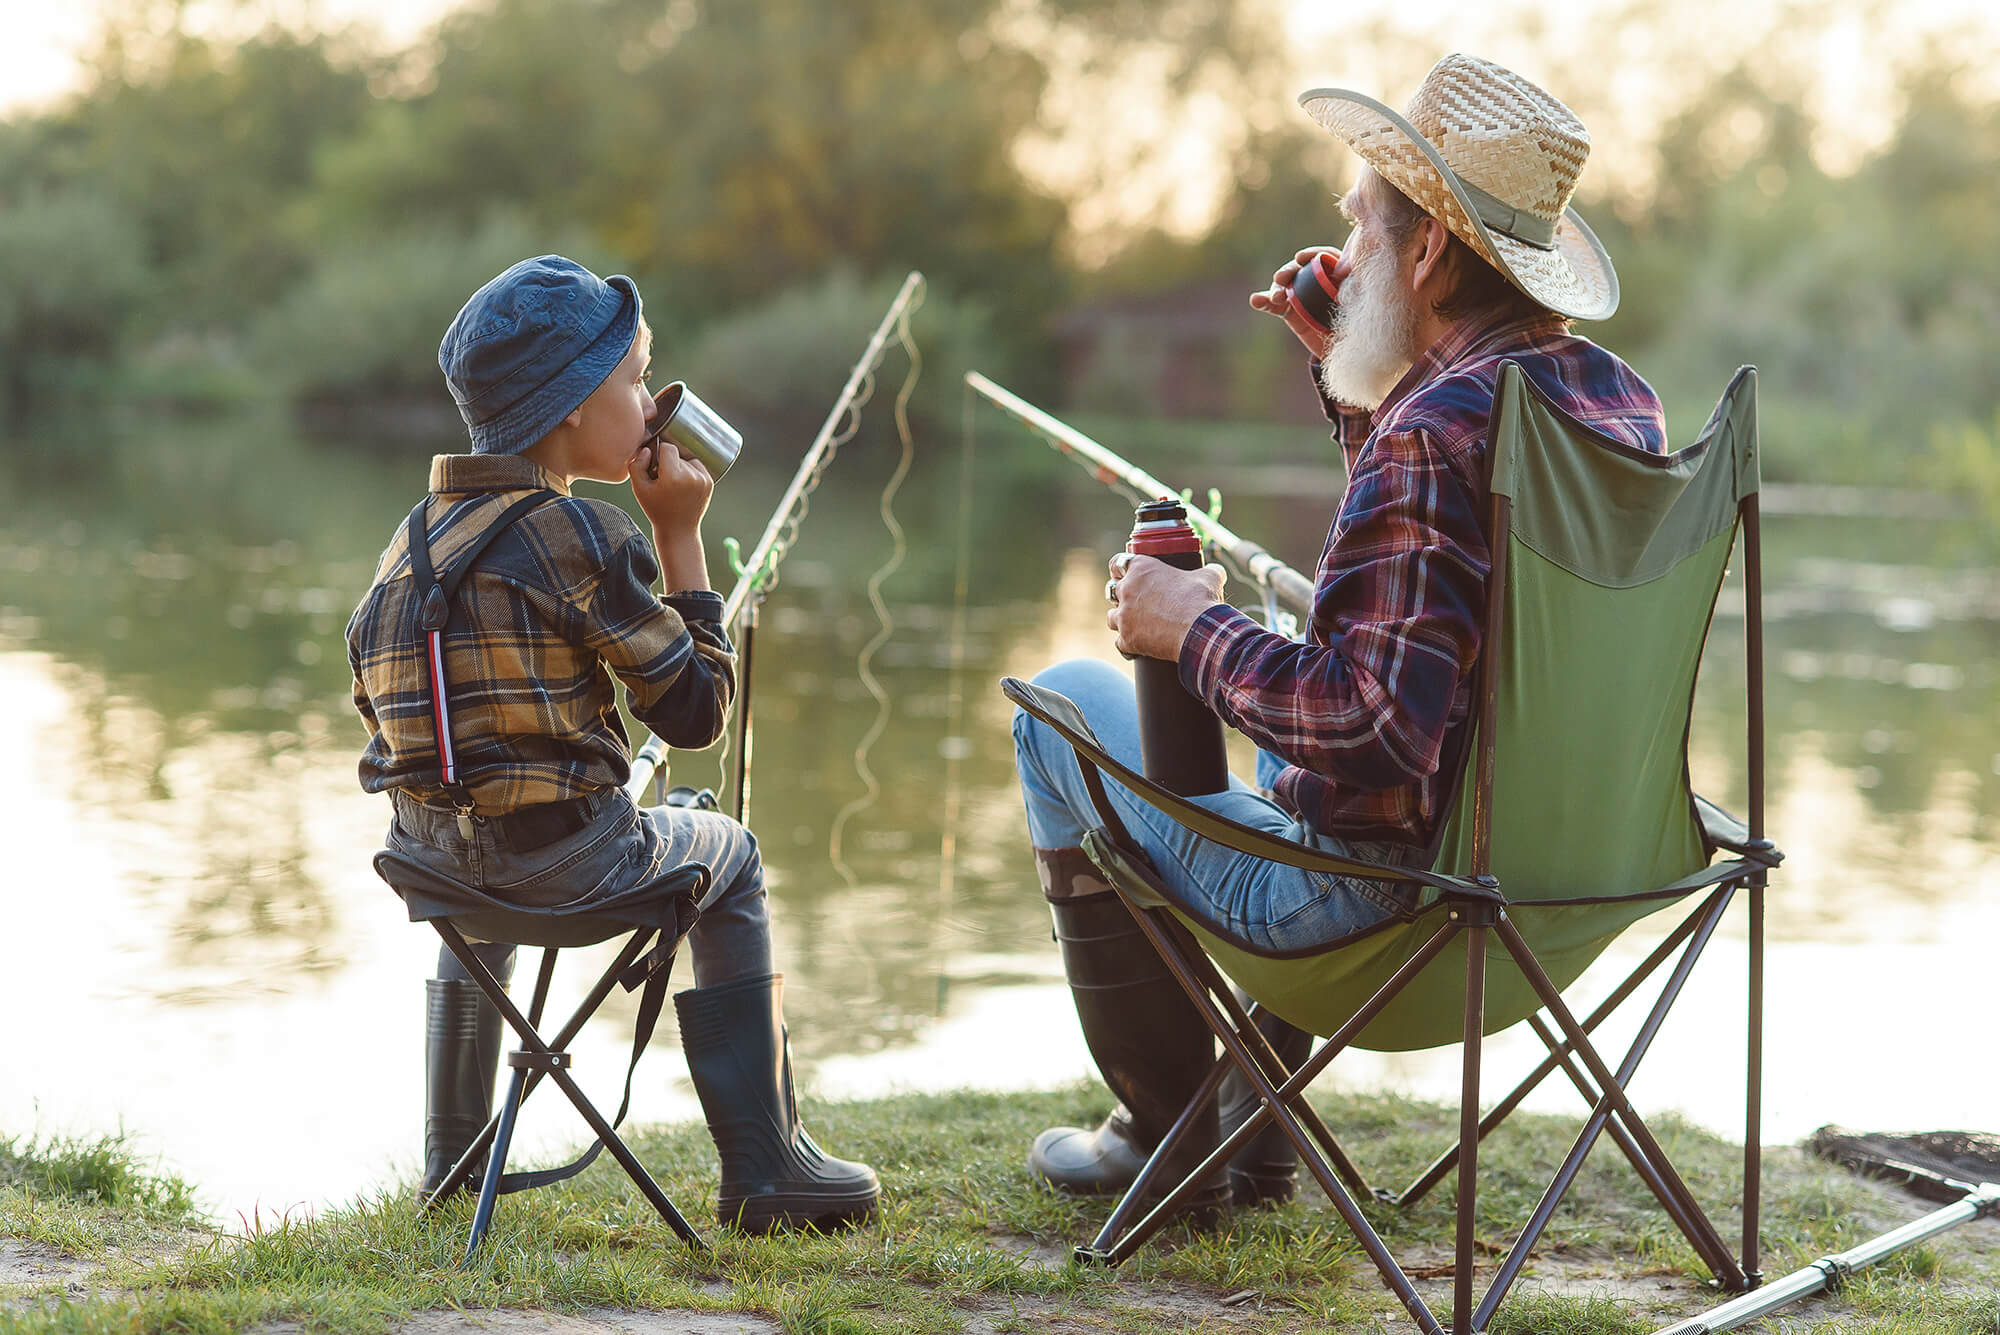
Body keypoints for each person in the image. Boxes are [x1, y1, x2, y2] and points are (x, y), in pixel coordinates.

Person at [1014, 54, 1668, 1210]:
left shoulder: (1435, 431)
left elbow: (1372, 729)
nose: (1349, 251)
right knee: (1274, 725)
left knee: (1059, 712)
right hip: (1564, 896)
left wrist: (1189, 628)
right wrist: (1354, 379)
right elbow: (1446, 622)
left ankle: (1170, 1136)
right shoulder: (1613, 403)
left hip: (1376, 916)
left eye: (1364, 228)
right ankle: (1251, 1132)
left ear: (1424, 254)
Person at [345, 255, 877, 1233]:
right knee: (734, 855)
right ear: (569, 413)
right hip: (574, 867)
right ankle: (765, 1170)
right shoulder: (580, 538)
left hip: (435, 874)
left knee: (487, 840)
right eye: (635, 379)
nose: (650, 400)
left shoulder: (405, 546)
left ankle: (451, 1159)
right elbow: (695, 717)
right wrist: (678, 537)